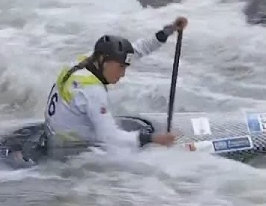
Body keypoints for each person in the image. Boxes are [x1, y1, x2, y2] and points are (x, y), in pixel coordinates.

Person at [40, 16, 188, 158]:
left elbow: (136, 50)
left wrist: (168, 31)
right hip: (75, 151)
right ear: (103, 60)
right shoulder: (92, 91)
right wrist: (153, 139)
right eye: (121, 67)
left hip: (57, 134)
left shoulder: (84, 62)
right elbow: (111, 137)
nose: (122, 74)